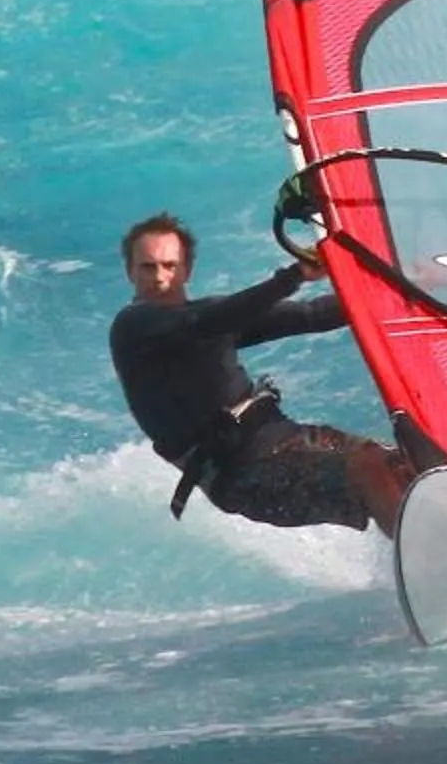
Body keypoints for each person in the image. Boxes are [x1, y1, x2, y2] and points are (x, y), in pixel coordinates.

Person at [108, 210, 418, 536]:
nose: (159, 277)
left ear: (187, 269)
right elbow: (208, 321)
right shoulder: (134, 328)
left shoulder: (209, 317)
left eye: (170, 265)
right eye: (147, 267)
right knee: (369, 469)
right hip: (243, 474)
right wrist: (293, 276)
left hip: (289, 439)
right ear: (130, 271)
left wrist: (400, 288)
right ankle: (439, 572)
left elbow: (311, 315)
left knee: (402, 463)